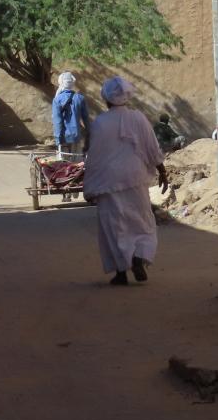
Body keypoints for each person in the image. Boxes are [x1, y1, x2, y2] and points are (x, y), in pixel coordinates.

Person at [84, 76, 169, 286]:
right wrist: (162, 171)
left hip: (108, 181)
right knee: (142, 221)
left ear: (106, 98)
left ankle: (121, 272)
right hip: (135, 177)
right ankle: (139, 256)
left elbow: (93, 158)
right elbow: (152, 147)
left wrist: (90, 187)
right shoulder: (139, 118)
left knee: (114, 226)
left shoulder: (100, 123)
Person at [51, 71, 90, 158]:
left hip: (63, 138)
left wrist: (58, 140)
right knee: (77, 164)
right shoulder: (80, 98)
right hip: (77, 136)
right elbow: (86, 119)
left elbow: (58, 122)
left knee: (63, 164)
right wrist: (89, 134)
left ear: (61, 82)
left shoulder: (57, 100)